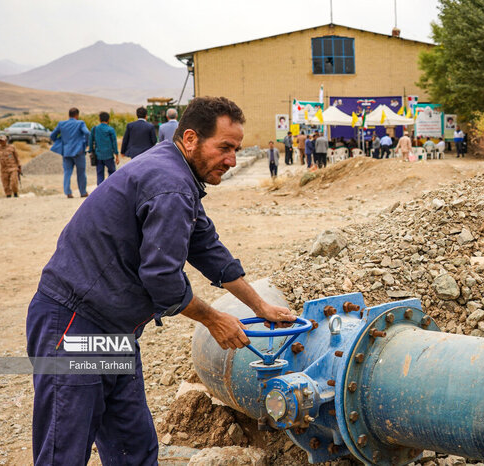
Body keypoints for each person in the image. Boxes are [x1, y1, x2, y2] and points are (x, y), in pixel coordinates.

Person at [26, 96, 296, 465]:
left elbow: (208, 250)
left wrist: (260, 305)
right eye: (225, 148)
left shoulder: (177, 175)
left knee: (132, 447)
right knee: (64, 451)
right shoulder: (169, 183)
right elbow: (162, 279)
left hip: (114, 330)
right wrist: (215, 320)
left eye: (237, 149)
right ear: (190, 138)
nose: (232, 160)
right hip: (74, 326)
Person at [51, 107, 90, 198]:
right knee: (81, 173)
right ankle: (83, 192)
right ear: (77, 115)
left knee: (67, 172)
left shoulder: (62, 124)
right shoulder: (80, 123)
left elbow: (52, 135)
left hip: (66, 151)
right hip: (79, 151)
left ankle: (68, 192)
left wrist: (59, 141)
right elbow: (87, 133)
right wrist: (86, 143)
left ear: (69, 115)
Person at [88, 112, 119, 185]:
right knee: (112, 173)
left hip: (98, 156)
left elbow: (91, 141)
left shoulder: (94, 129)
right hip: (109, 156)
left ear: (99, 119)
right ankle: (110, 189)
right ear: (108, 120)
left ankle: (100, 191)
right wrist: (117, 155)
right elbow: (114, 143)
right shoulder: (110, 129)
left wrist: (91, 151)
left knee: (100, 174)